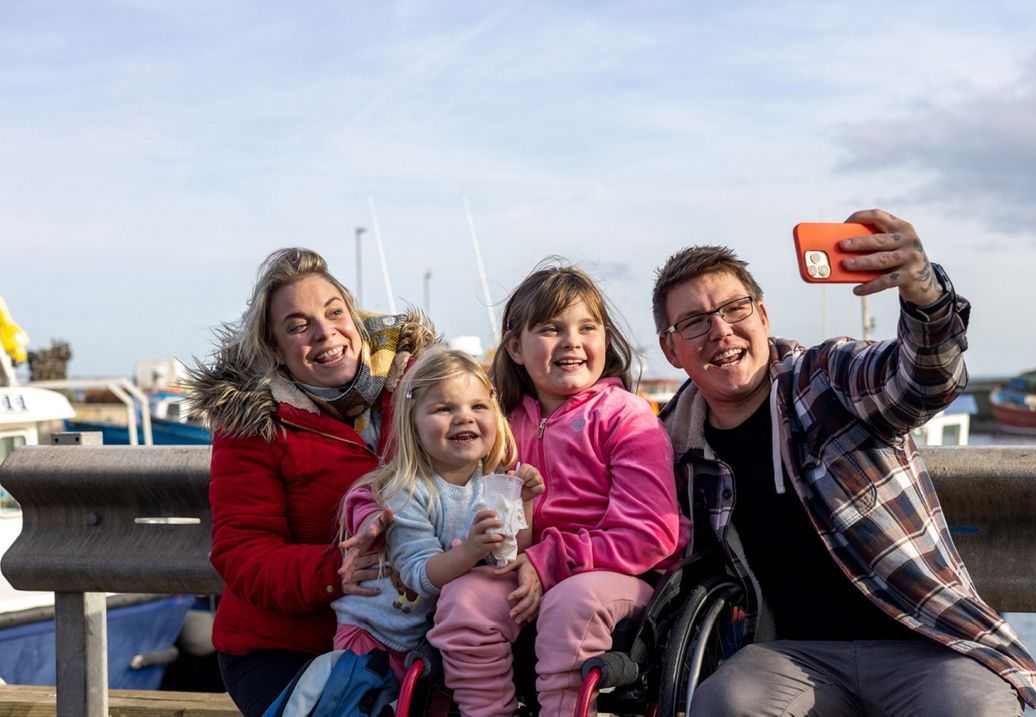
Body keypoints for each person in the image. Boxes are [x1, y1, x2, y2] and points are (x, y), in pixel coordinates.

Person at [651, 209, 1036, 716]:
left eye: (735, 309)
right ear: (671, 349)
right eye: (695, 322)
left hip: (925, 642)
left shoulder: (826, 377)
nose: (721, 331)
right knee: (724, 705)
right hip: (792, 658)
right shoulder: (672, 442)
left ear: (763, 318)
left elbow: (925, 380)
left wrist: (923, 292)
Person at [426, 263, 685, 717]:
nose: (572, 341)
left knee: (572, 601)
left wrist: (549, 562)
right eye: (550, 328)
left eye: (588, 327)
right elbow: (432, 477)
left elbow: (650, 534)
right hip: (525, 568)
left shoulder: (626, 416)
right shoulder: (502, 425)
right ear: (515, 348)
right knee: (461, 601)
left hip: (624, 576)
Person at [187, 247, 435, 717]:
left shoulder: (420, 390)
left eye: (334, 312)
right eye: (298, 325)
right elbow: (242, 554)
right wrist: (334, 570)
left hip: (404, 636)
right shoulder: (254, 423)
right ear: (276, 350)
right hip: (285, 648)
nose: (325, 333)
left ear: (356, 319)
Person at [330, 348, 544, 679]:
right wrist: (472, 550)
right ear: (413, 424)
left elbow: (511, 557)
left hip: (434, 640)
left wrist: (524, 503)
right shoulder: (407, 491)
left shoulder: (491, 485)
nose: (464, 417)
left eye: (478, 406)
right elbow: (419, 575)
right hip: (374, 638)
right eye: (444, 408)